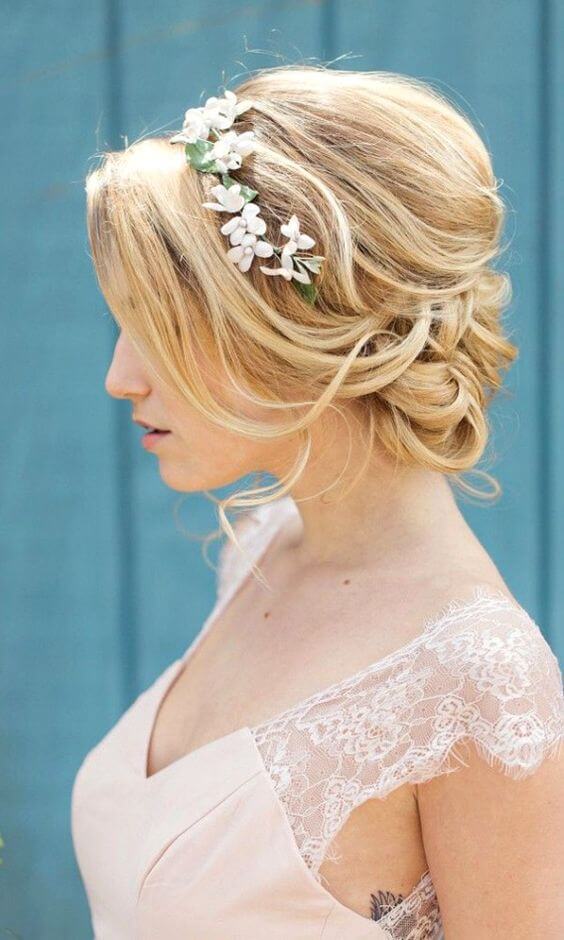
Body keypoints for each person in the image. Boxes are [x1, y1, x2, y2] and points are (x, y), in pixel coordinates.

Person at [71, 65, 564, 939]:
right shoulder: (262, 549)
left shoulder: (480, 683)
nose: (120, 377)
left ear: (302, 329)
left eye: (160, 325)